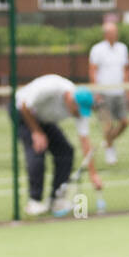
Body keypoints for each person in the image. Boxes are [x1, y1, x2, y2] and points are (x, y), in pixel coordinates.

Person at [12, 73, 102, 217]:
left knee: (66, 151)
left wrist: (93, 174)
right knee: (38, 149)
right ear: (72, 101)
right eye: (78, 111)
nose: (78, 115)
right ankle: (34, 201)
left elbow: (85, 141)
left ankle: (55, 198)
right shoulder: (52, 87)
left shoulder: (79, 108)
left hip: (44, 119)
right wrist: (36, 132)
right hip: (23, 112)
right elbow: (24, 105)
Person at [88, 20, 129, 165]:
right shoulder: (97, 49)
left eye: (116, 32)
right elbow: (92, 71)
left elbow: (126, 70)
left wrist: (127, 88)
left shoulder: (123, 48)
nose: (115, 35)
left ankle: (108, 141)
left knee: (125, 122)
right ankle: (110, 150)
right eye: (112, 32)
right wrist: (96, 91)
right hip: (104, 93)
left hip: (119, 92)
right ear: (106, 34)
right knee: (108, 124)